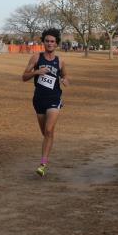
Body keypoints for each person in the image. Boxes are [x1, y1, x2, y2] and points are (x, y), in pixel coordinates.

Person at [22, 28, 69, 177]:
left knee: (48, 131)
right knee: (46, 133)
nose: (49, 43)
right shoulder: (36, 58)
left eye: (52, 41)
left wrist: (65, 80)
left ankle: (43, 164)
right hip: (39, 99)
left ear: (56, 44)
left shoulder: (60, 61)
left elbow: (65, 75)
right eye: (47, 41)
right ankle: (49, 143)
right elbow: (24, 77)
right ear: (43, 42)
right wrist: (36, 72)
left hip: (54, 98)